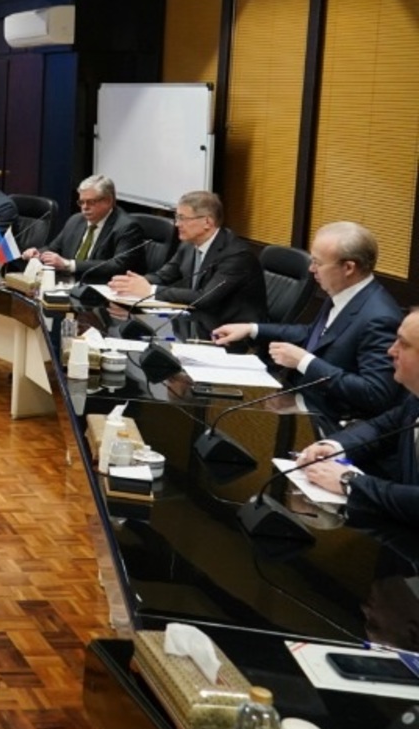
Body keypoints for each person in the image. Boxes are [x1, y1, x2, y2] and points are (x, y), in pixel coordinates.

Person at [212, 221, 403, 429]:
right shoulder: (343, 292)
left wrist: (304, 361)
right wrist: (251, 329)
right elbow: (313, 333)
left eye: (318, 263)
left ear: (348, 267)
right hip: (303, 403)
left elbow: (375, 393)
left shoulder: (380, 317)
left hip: (336, 424)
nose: (311, 269)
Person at [296, 308, 419, 527]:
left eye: (403, 344)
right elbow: (381, 428)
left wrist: (350, 483)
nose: (391, 351)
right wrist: (334, 447)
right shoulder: (414, 398)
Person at [106, 190, 267, 341]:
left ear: (207, 222)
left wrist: (150, 290)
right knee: (131, 334)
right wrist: (132, 284)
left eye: (183, 218)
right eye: (176, 217)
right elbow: (164, 276)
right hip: (194, 324)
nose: (177, 224)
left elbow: (204, 298)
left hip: (232, 337)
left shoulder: (236, 255)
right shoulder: (189, 245)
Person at [22, 174, 146, 280]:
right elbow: (54, 248)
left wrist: (69, 265)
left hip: (101, 288)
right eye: (81, 202)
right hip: (68, 284)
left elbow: (118, 266)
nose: (85, 207)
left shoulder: (126, 227)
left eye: (91, 202)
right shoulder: (75, 220)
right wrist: (39, 254)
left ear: (108, 201)